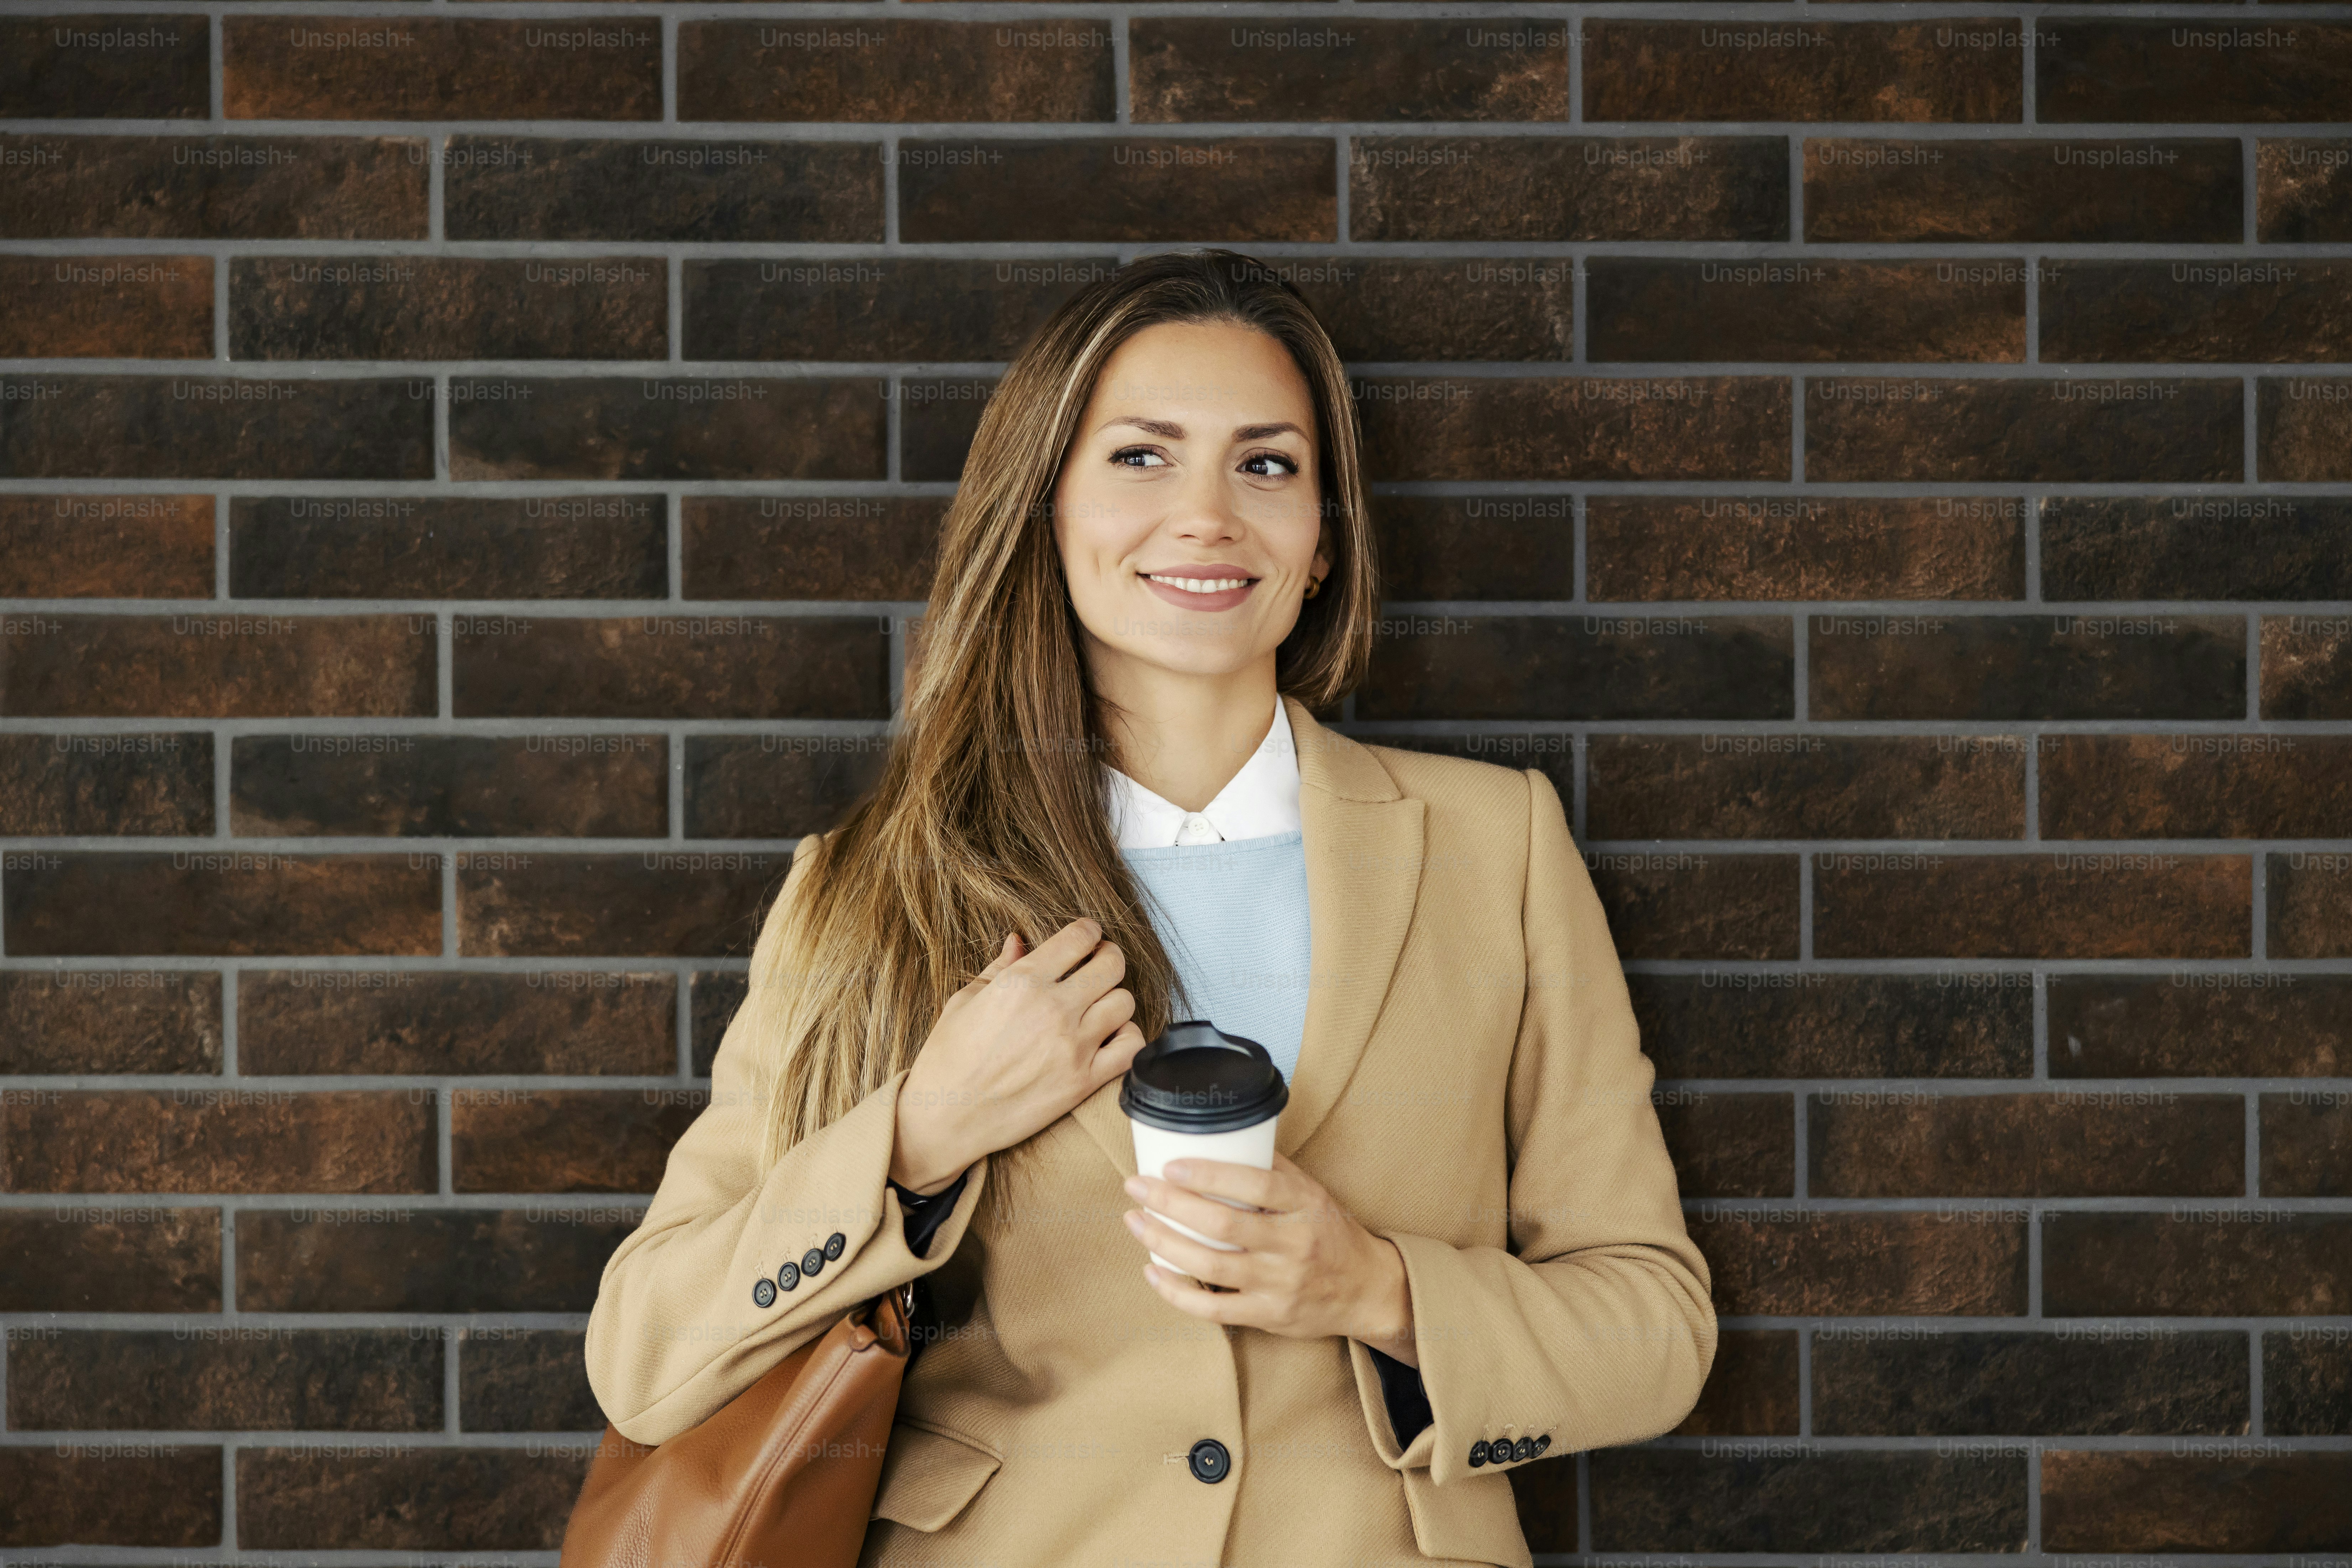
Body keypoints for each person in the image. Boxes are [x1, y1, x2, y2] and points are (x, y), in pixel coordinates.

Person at [583, 248, 1715, 1568]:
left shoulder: (1496, 846)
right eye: (1139, 457)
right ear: (1045, 510)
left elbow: (1654, 1330)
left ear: (1323, 540)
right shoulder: (876, 879)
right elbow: (646, 1357)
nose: (1207, 515)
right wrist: (920, 1133)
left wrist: (1376, 1289)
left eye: (1266, 463)